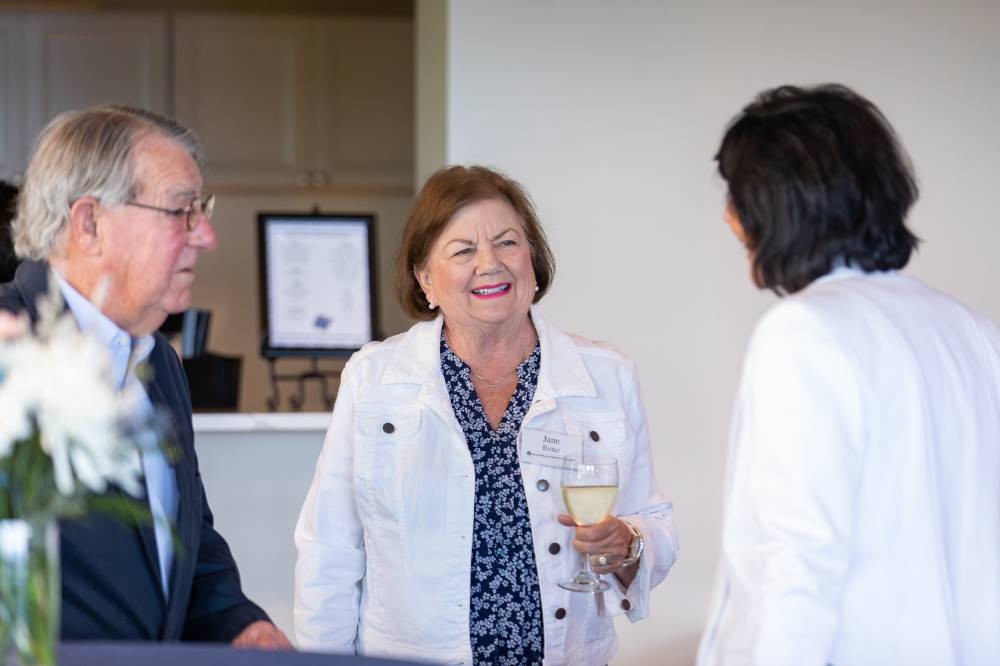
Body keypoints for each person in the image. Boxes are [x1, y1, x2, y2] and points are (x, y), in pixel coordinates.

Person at [295, 165, 677, 665]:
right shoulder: (373, 379)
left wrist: (627, 543)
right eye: (463, 251)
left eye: (507, 243)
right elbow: (329, 549)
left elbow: (653, 522)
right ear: (425, 278)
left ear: (533, 261)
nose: (490, 263)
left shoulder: (607, 375)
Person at [698, 84, 1000, 665]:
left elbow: (799, 564)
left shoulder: (804, 330)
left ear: (778, 204)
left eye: (738, 196)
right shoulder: (976, 333)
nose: (730, 218)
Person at [0, 105, 291, 647]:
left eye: (201, 211)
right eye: (181, 211)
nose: (206, 236)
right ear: (89, 224)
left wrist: (240, 626)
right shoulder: (8, 351)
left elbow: (187, 541)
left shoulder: (160, 363)